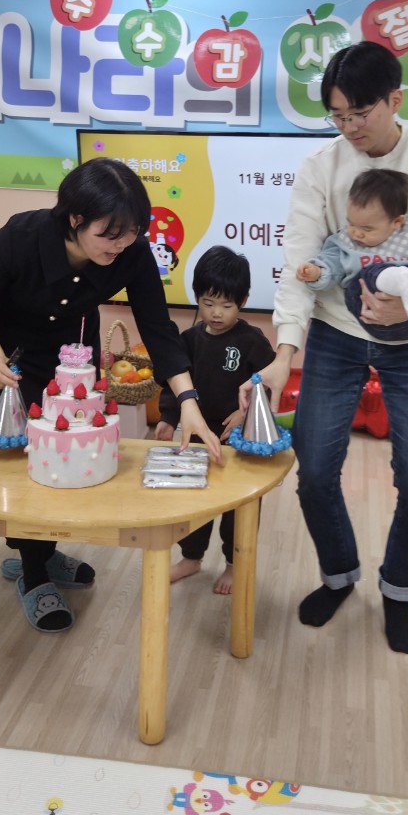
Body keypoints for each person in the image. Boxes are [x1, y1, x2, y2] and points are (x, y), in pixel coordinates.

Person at [243, 42, 408, 654]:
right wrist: (284, 352)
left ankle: (399, 591)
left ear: (394, 100)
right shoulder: (320, 168)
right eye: (337, 115)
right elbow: (301, 263)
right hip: (336, 333)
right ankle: (339, 575)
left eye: (360, 113)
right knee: (315, 472)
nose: (349, 127)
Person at [0, 159, 221, 634]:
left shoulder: (130, 251)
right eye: (109, 235)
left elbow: (158, 327)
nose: (121, 245)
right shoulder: (20, 238)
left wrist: (188, 402)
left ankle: (43, 552)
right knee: (29, 463)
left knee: (68, 457)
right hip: (9, 362)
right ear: (75, 218)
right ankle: (34, 572)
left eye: (132, 233)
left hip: (71, 360)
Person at [155, 246, 275, 595]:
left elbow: (266, 383)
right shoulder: (190, 340)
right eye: (208, 303)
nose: (216, 313)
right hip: (198, 439)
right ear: (197, 297)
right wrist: (168, 417)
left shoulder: (252, 341)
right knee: (194, 501)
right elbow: (176, 382)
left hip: (239, 442)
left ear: (244, 301)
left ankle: (235, 563)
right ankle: (191, 558)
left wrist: (246, 411)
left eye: (226, 305)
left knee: (239, 507)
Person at [296, 168, 408, 341]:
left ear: (397, 222)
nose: (356, 233)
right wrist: (316, 272)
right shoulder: (345, 242)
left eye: (367, 229)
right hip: (366, 312)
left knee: (400, 269)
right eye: (351, 224)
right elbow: (331, 262)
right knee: (369, 275)